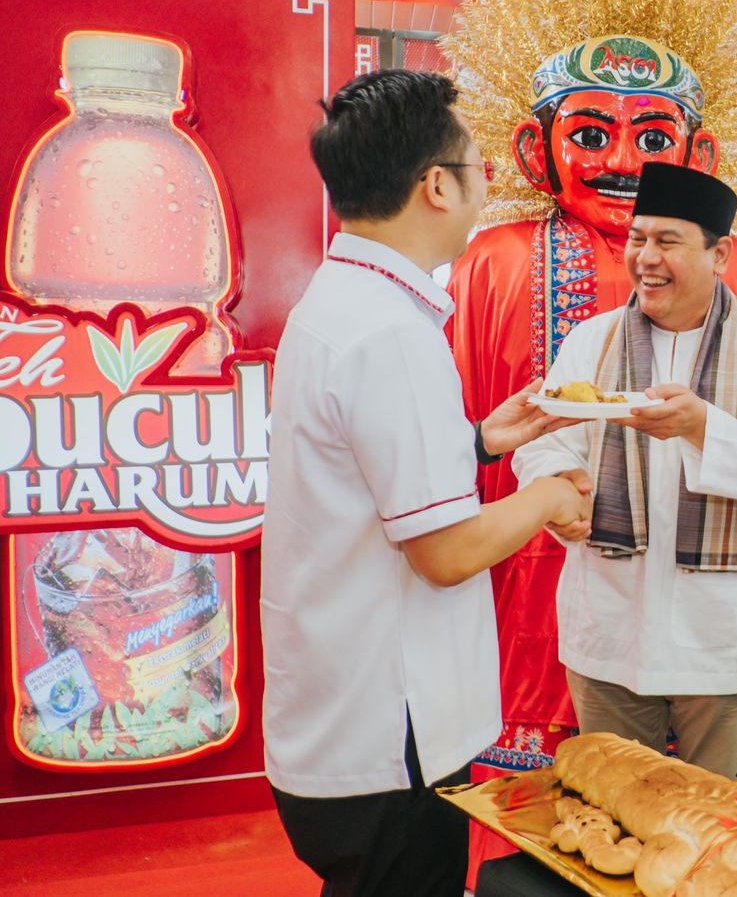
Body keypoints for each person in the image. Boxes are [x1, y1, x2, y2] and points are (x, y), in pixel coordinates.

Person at [438, 0, 737, 828]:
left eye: (654, 138)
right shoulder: (495, 260)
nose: (624, 158)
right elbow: (478, 429)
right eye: (590, 134)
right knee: (561, 808)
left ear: (700, 154)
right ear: (534, 150)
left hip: (706, 590)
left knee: (702, 812)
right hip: (534, 571)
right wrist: (544, 495)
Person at [261, 70, 586, 897]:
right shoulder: (391, 332)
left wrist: (477, 442)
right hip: (389, 733)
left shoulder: (341, 300)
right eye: (479, 170)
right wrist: (549, 496)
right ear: (436, 185)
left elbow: (361, 472)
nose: (486, 192)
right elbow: (444, 555)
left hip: (337, 714)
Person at [512, 162, 737, 778]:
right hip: (609, 631)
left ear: (720, 255)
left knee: (714, 815)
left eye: (668, 241)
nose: (645, 257)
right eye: (638, 238)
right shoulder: (593, 340)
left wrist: (702, 427)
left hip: (718, 643)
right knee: (611, 801)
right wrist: (562, 487)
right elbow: (544, 441)